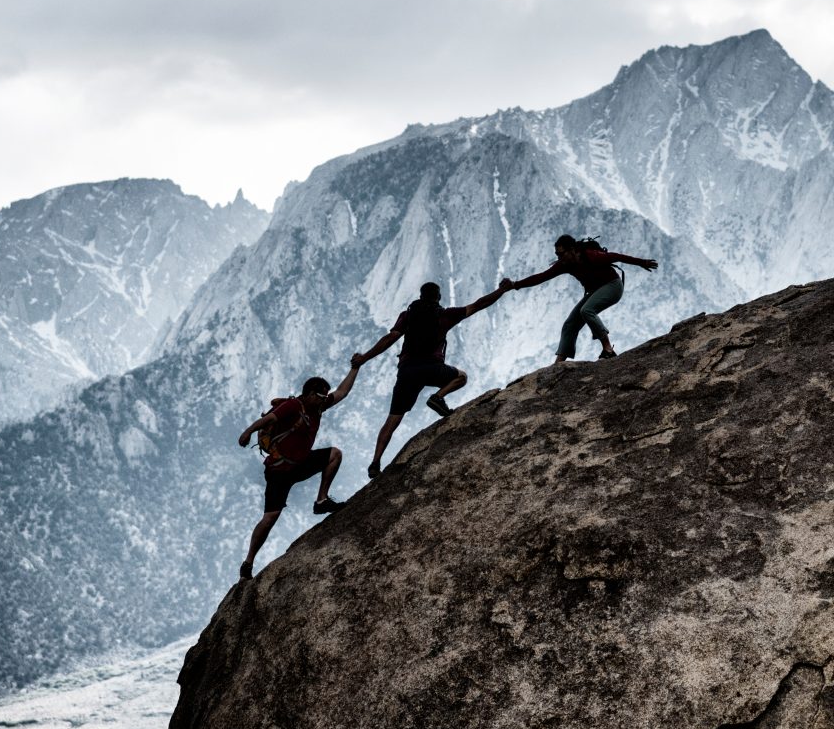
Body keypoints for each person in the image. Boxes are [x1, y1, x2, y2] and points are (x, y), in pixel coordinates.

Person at [353, 281, 507, 479]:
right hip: (432, 368)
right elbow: (478, 304)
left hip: (407, 371)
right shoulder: (445, 314)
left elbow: (390, 338)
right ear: (438, 297)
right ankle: (438, 397)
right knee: (461, 376)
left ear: (420, 295)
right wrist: (501, 290)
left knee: (393, 419)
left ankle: (375, 462)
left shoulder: (408, 315)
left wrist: (364, 357)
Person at [235, 363, 361, 580]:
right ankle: (248, 562)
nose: (324, 399)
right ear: (311, 394)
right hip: (279, 471)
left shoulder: (318, 407)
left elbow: (342, 393)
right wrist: (248, 432)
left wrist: (355, 368)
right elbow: (268, 420)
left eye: (324, 397)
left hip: (300, 464)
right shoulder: (294, 406)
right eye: (321, 396)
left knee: (334, 455)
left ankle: (321, 501)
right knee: (269, 518)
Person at [503, 234, 658, 363]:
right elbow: (541, 277)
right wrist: (515, 284)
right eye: (557, 255)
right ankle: (559, 363)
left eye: (561, 254)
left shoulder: (591, 256)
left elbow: (616, 257)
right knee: (570, 324)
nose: (559, 258)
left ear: (572, 250)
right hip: (596, 291)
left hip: (613, 286)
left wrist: (641, 262)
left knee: (587, 310)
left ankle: (608, 349)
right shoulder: (564, 264)